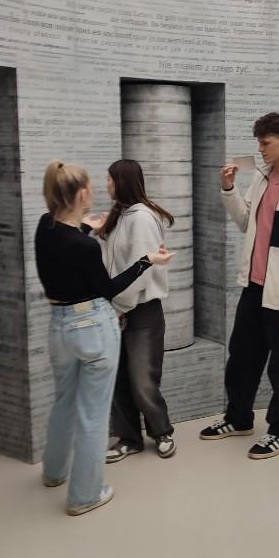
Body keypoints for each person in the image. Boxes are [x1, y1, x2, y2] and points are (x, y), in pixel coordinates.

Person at [35, 160, 173, 516]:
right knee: (93, 414)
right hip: (93, 327)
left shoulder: (44, 226)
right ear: (80, 194)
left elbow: (65, 242)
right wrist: (146, 261)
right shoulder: (85, 246)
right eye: (93, 185)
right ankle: (85, 495)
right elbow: (109, 289)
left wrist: (86, 227)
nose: (100, 188)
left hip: (59, 327)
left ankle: (54, 472)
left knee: (64, 402)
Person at [200, 112, 279, 459]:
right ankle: (238, 418)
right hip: (253, 288)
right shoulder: (261, 179)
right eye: (259, 143)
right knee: (241, 359)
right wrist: (229, 189)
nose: (260, 149)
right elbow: (245, 222)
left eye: (265, 143)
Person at [93, 159, 176, 463]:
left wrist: (118, 307)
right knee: (118, 381)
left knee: (142, 380)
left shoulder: (141, 218)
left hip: (141, 311)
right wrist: (99, 232)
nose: (106, 184)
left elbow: (139, 270)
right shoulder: (121, 214)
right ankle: (129, 439)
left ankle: (162, 431)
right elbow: (111, 263)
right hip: (118, 309)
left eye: (109, 179)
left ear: (122, 182)